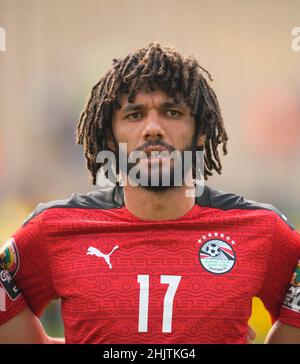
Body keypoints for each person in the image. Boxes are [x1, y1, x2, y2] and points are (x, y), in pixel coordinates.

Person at [0, 42, 299, 344]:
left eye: (172, 112)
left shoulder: (262, 230)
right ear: (110, 137)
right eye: (134, 115)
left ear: (201, 131)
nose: (153, 128)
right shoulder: (54, 228)